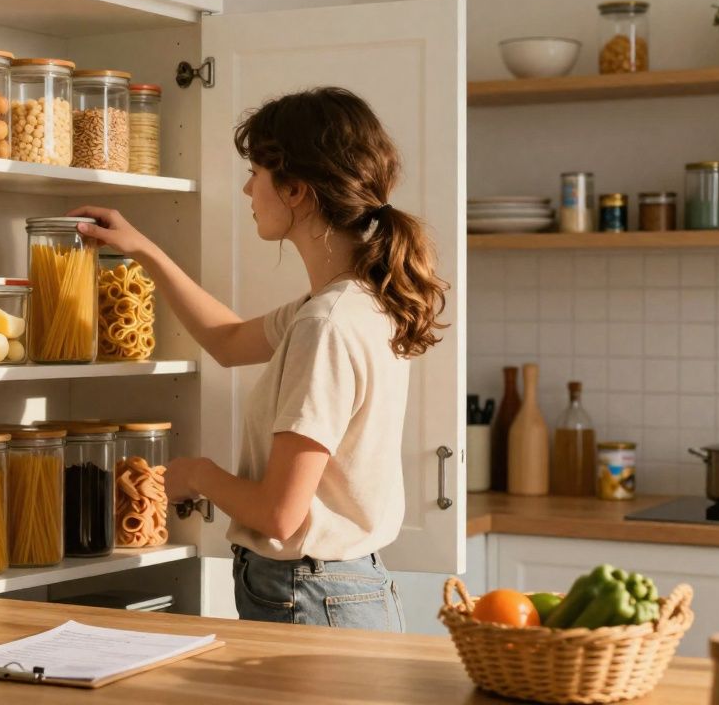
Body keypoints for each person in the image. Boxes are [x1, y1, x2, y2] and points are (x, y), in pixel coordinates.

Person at [70, 86, 448, 630]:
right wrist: (146, 251)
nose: (248, 188)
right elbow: (226, 341)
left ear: (295, 189)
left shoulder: (328, 324)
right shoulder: (351, 302)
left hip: (313, 594)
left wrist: (196, 475)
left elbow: (279, 513)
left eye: (257, 172)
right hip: (332, 591)